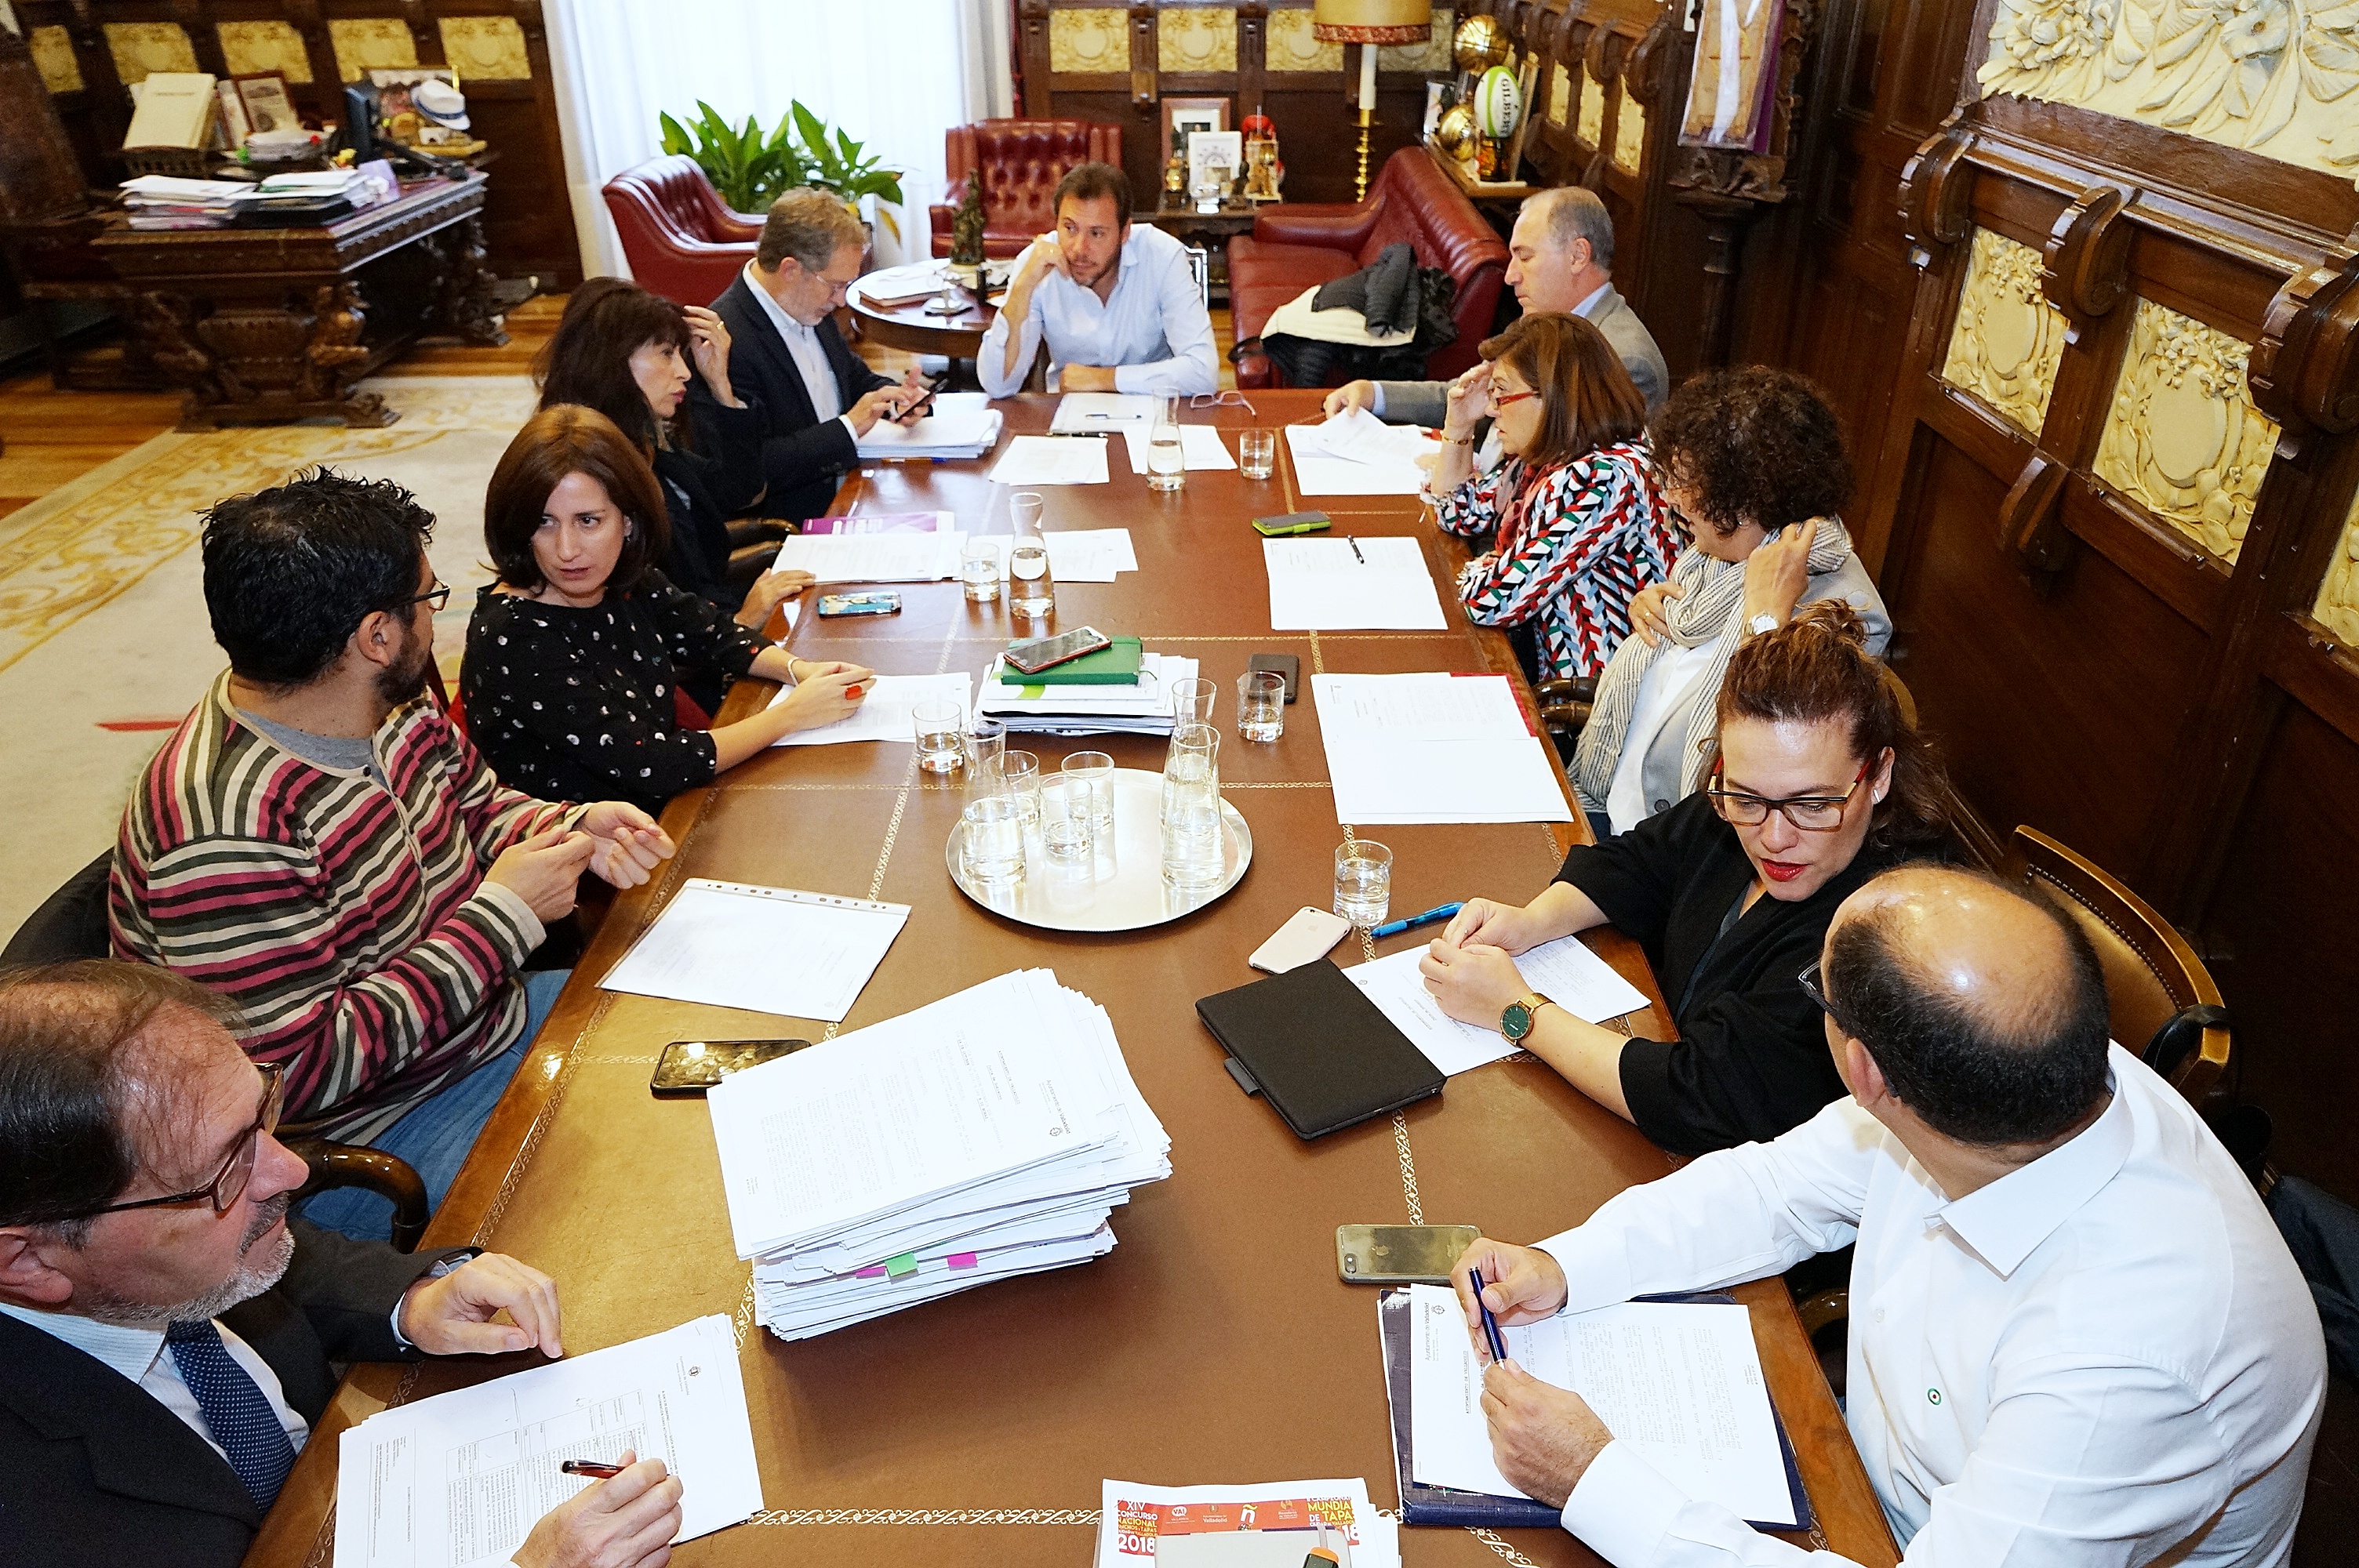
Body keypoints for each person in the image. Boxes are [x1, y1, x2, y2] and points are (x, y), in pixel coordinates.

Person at [1449, 865, 2325, 1567]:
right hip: (1858, 1476)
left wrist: (1593, 1480)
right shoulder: (2015, 1079)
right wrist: (1568, 1264)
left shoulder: (2125, 1361)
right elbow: (1776, 1188)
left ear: (1862, 1069)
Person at [111, 470, 674, 1240]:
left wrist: (569, 824)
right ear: (377, 635)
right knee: (647, 1191)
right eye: (428, 599)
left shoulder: (384, 701)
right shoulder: (225, 829)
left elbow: (476, 804)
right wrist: (501, 919)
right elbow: (295, 1077)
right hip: (376, 1131)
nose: (434, 620)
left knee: (694, 1040)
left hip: (485, 1027)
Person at [0, 960, 685, 1568]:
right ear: (28, 1262)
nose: (293, 1171)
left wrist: (410, 1302)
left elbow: (280, 1261)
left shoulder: (152, 1250)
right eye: (226, 1170)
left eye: (261, 1118)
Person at [1421, 604, 1954, 1152]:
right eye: (1745, 797)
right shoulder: (1745, 802)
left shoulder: (1885, 933)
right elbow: (1636, 863)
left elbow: (1700, 1097)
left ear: (1880, 774)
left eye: (1813, 805)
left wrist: (1517, 1011)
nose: (1774, 837)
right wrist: (1530, 923)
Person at [463, 405, 874, 816]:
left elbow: (714, 635)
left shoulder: (622, 578)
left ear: (628, 520)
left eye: (588, 521)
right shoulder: (513, 635)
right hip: (597, 845)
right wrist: (791, 715)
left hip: (663, 812)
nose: (567, 549)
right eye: (544, 522)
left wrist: (800, 671)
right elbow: (652, 765)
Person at [1572, 367, 1890, 837]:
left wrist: (1765, 619)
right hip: (1608, 813)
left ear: (1745, 496)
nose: (1669, 496)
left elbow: (1770, 750)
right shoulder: (1714, 562)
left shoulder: (1849, 611)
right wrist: (1653, 617)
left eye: (1686, 481)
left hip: (1688, 847)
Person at [536, 276, 801, 630]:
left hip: (710, 620)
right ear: (614, 361)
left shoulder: (642, 438)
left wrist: (720, 384)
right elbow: (637, 624)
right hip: (697, 642)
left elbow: (741, 491)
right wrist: (743, 621)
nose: (685, 372)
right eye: (666, 354)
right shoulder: (588, 468)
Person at [1427, 312, 1673, 684]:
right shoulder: (1551, 459)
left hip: (1594, 695)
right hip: (1549, 672)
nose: (1492, 409)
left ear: (1551, 396)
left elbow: (1491, 601)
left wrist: (1491, 565)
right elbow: (1457, 512)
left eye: (1501, 393)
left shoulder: (1604, 477)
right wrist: (1458, 424)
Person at [1326, 186, 1668, 426]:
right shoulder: (1540, 318)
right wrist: (1374, 394)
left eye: (1525, 257)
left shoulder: (1625, 361)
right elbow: (1468, 395)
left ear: (1578, 255)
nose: (1510, 276)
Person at [708, 187, 929, 526]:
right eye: (836, 285)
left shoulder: (807, 304)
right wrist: (848, 427)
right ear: (790, 270)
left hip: (854, 495)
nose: (841, 301)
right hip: (797, 526)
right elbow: (754, 468)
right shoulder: (725, 343)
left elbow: (852, 378)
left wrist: (897, 399)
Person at [976, 162, 1218, 399]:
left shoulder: (1162, 256)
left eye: (1096, 233)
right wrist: (1022, 289)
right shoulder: (1036, 264)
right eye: (1070, 228)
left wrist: (1103, 379)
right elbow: (999, 386)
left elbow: (1203, 372)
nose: (1079, 249)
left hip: (1151, 410)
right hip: (1069, 414)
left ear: (1125, 233)